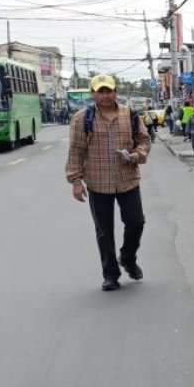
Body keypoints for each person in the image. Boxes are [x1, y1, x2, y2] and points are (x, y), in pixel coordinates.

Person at [64, 74, 152, 291]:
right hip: (97, 182)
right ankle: (110, 274)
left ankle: (128, 257)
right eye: (100, 91)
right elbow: (76, 150)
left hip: (128, 179)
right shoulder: (82, 118)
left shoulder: (130, 114)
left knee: (136, 222)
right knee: (104, 230)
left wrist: (137, 155)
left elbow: (144, 140)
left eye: (109, 90)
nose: (105, 95)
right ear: (93, 93)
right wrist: (75, 181)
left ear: (116, 92)